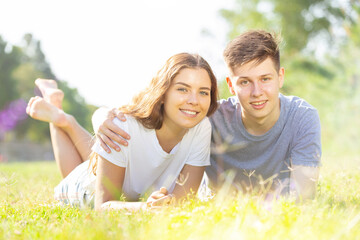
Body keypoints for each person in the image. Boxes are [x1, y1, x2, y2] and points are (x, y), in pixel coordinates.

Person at [94, 30, 321, 201]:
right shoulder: (209, 116)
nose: (257, 92)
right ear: (231, 85)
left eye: (265, 79)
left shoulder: (302, 117)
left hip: (251, 212)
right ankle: (63, 123)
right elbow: (155, 108)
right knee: (87, 167)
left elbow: (304, 195)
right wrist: (101, 115)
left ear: (280, 77)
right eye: (245, 82)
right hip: (212, 205)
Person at [26, 53, 218, 210]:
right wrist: (147, 209)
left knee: (99, 158)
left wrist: (168, 203)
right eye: (183, 89)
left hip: (117, 176)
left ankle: (64, 118)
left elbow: (182, 200)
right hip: (86, 188)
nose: (194, 100)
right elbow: (103, 207)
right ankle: (59, 115)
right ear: (163, 93)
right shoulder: (125, 126)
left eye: (203, 92)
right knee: (77, 173)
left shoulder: (201, 127)